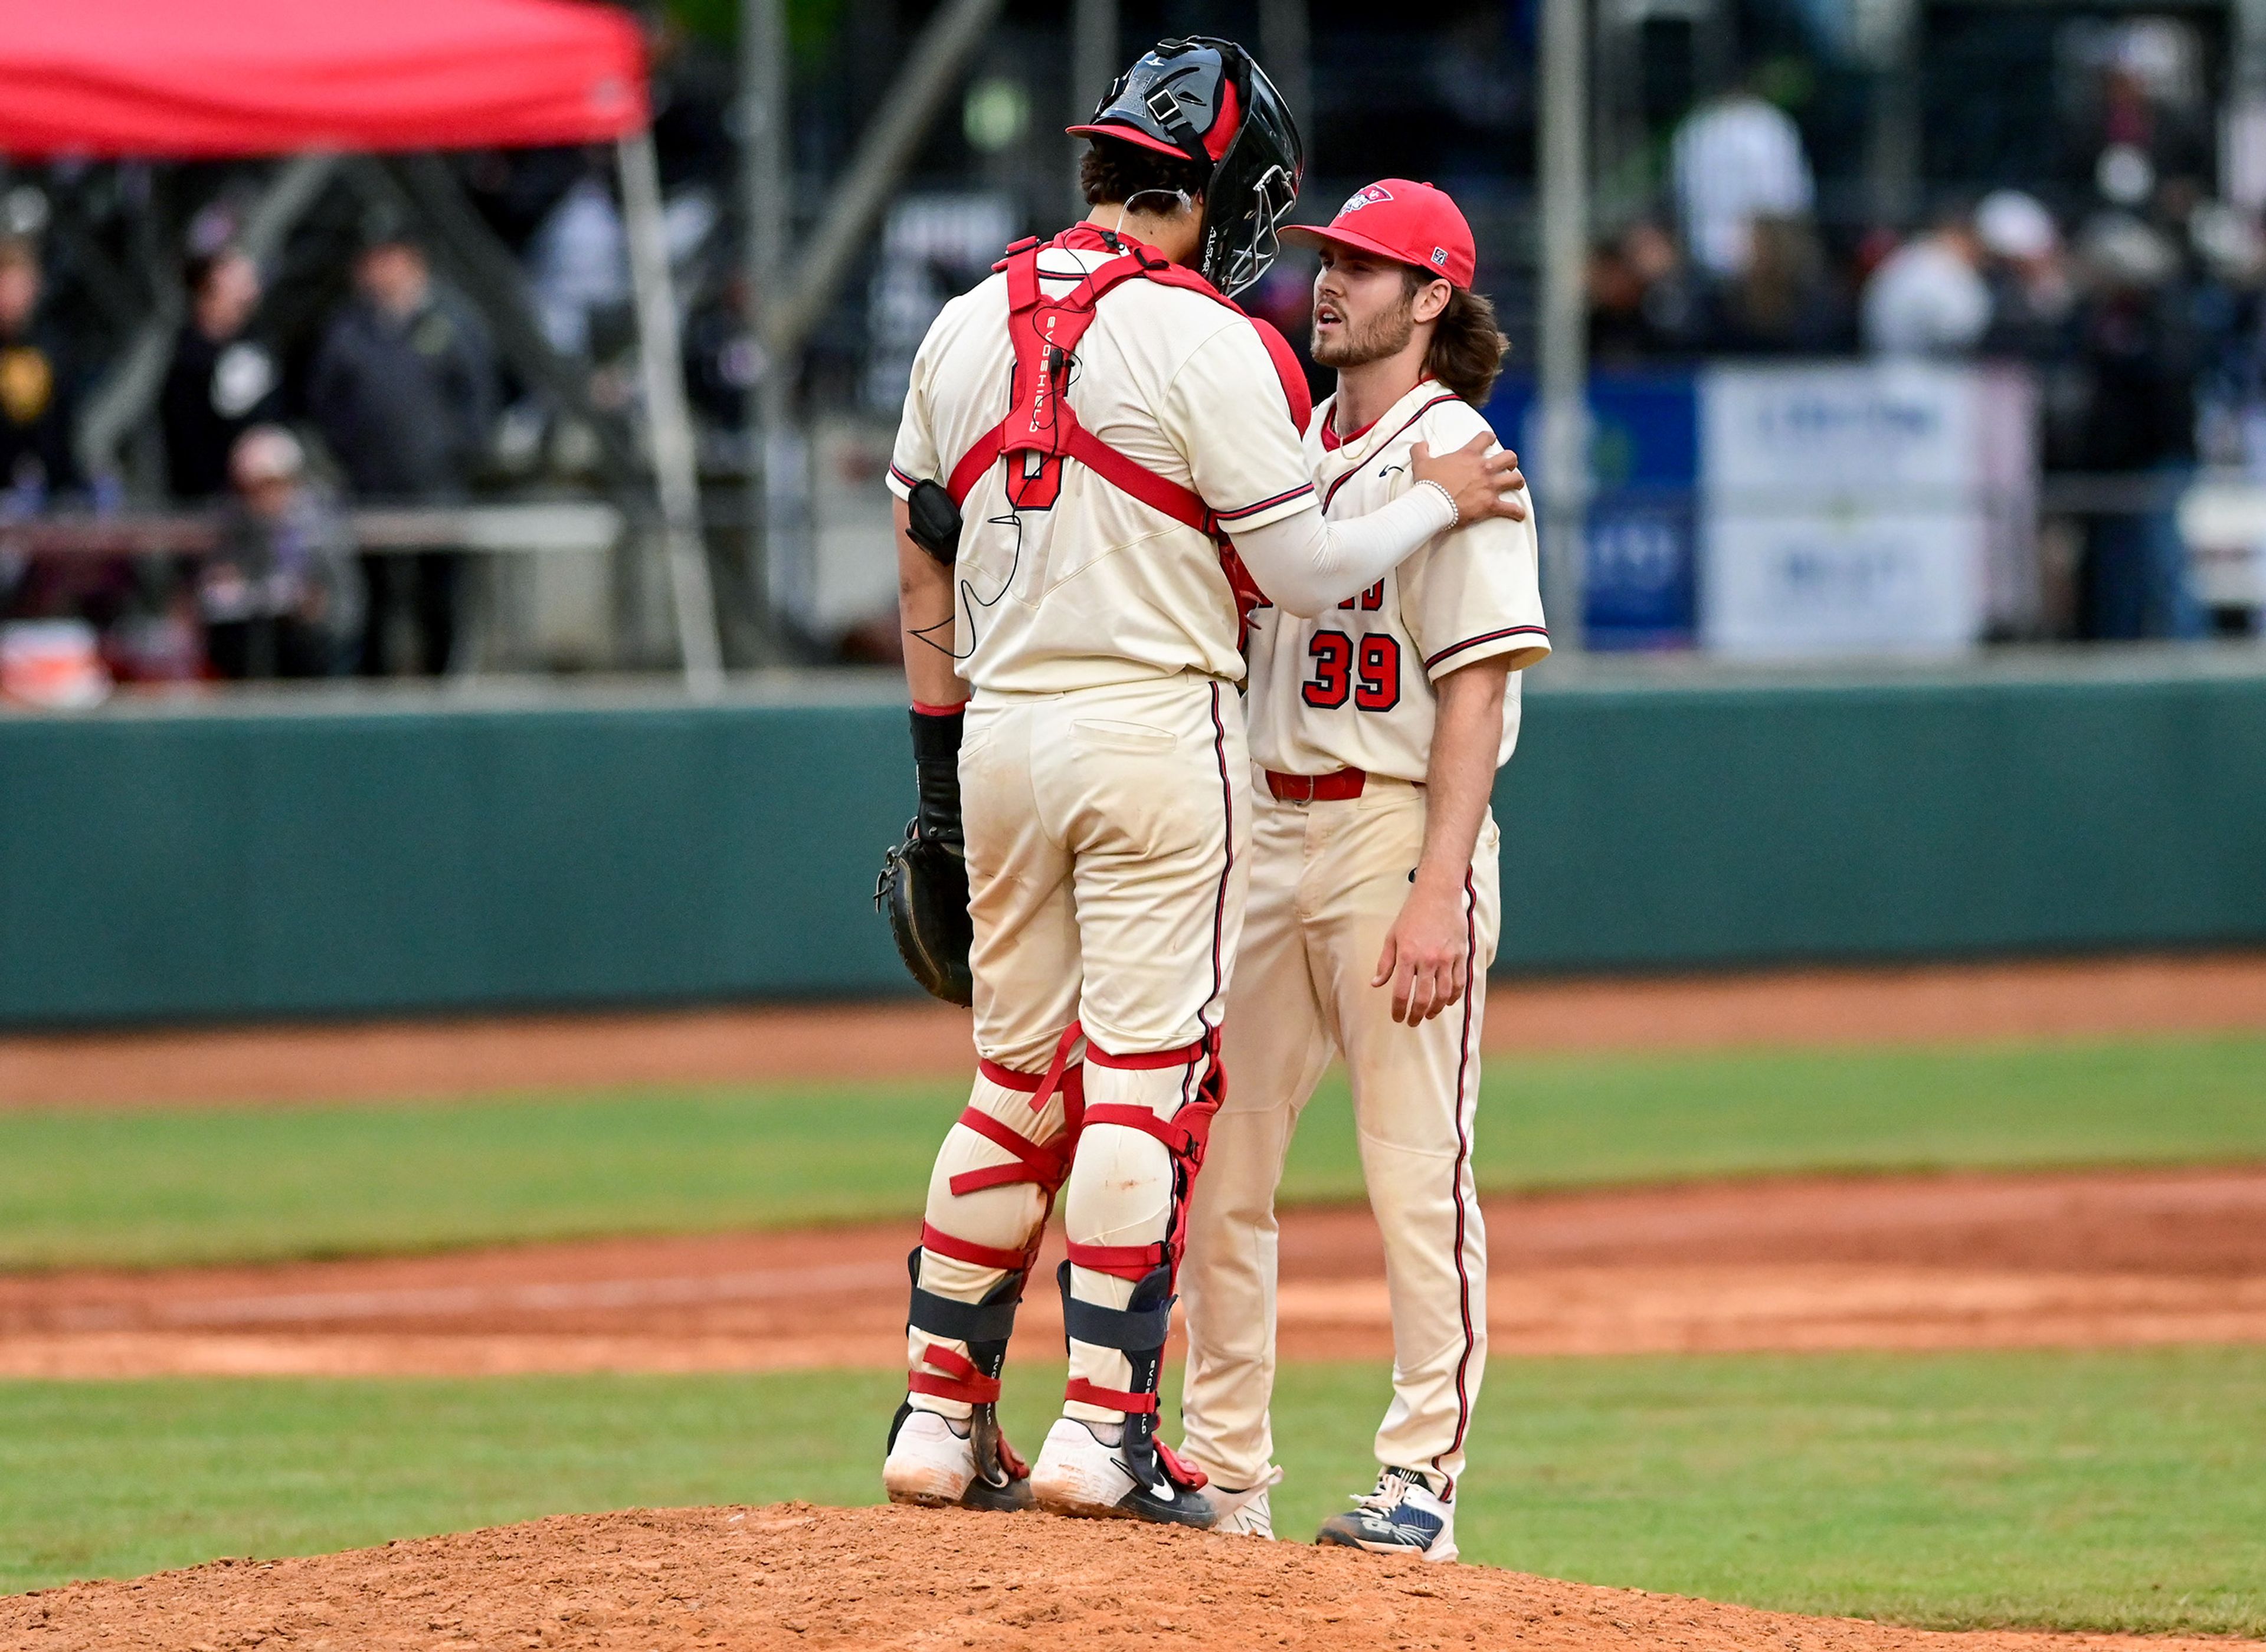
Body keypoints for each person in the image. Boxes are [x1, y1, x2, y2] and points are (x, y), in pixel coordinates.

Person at [877, 37, 1528, 1529]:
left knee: (1015, 1079)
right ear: (1218, 190)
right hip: (1159, 741)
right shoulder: (1222, 357)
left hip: (1006, 738)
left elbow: (919, 530)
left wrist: (931, 781)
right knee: (1154, 1092)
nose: (1321, 274)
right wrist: (1424, 501)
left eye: (1365, 262)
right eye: (1304, 234)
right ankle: (1119, 1438)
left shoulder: (966, 319)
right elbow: (1298, 560)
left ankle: (937, 1414)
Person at [1174, 181, 1547, 1561]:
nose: (1329, 282)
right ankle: (1223, 1470)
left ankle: (1421, 1485)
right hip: (1265, 832)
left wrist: (1439, 883)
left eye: (1364, 266)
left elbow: (1475, 697)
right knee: (1214, 1157)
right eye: (1326, 258)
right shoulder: (1291, 444)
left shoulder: (1463, 456)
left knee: (1413, 1170)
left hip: (1392, 828)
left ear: (1432, 298)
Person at [308, 230, 496, 676]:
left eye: (387, 258)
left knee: (439, 600)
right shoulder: (349, 330)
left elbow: (480, 399)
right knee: (375, 603)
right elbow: (324, 400)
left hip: (438, 489)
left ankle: (441, 692)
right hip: (371, 490)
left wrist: (454, 455)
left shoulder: (452, 322)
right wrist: (352, 455)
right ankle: (374, 697)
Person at [199, 426, 363, 680]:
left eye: (268, 485)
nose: (260, 498)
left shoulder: (321, 522)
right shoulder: (236, 523)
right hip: (259, 639)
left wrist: (315, 602)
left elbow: (343, 604)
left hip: (320, 643)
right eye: (249, 489)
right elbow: (218, 588)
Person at [160, 249, 282, 501]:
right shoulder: (187, 360)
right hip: (210, 503)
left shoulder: (258, 343)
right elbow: (189, 446)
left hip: (266, 501)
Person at [1669, 80, 1816, 282]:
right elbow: (1788, 198)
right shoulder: (1767, 125)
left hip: (1719, 253)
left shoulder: (1696, 127)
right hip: (1725, 257)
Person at [0, 235, 78, 504]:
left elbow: (62, 429)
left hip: (43, 497)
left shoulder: (51, 347)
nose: (10, 297)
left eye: (19, 285)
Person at [1861, 207, 1991, 358]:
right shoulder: (1939, 267)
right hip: (1925, 367)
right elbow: (1960, 326)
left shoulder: (1906, 257)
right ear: (1957, 234)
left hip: (1888, 360)